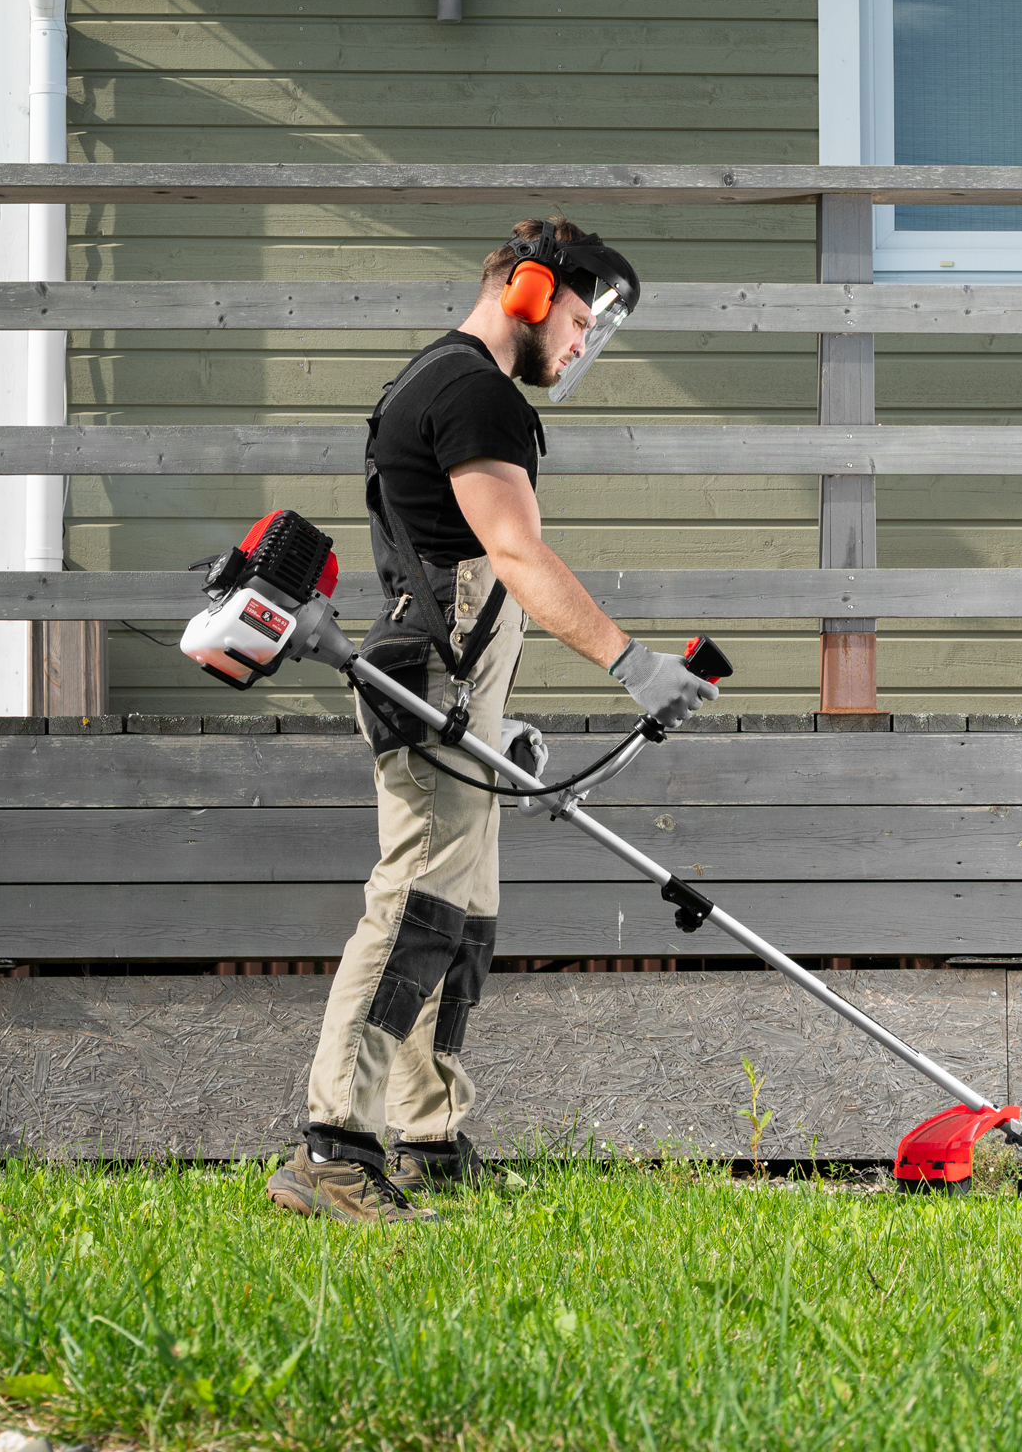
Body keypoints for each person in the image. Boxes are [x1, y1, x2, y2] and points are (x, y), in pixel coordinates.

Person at [267, 217, 720, 1225]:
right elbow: (512, 555)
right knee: (412, 911)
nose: (583, 342)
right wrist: (632, 662)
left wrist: (496, 721)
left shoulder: (449, 383)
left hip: (452, 690)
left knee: (460, 923)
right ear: (529, 291)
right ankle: (332, 1149)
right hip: (433, 681)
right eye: (581, 318)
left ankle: (426, 1138)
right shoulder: (474, 392)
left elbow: (462, 570)